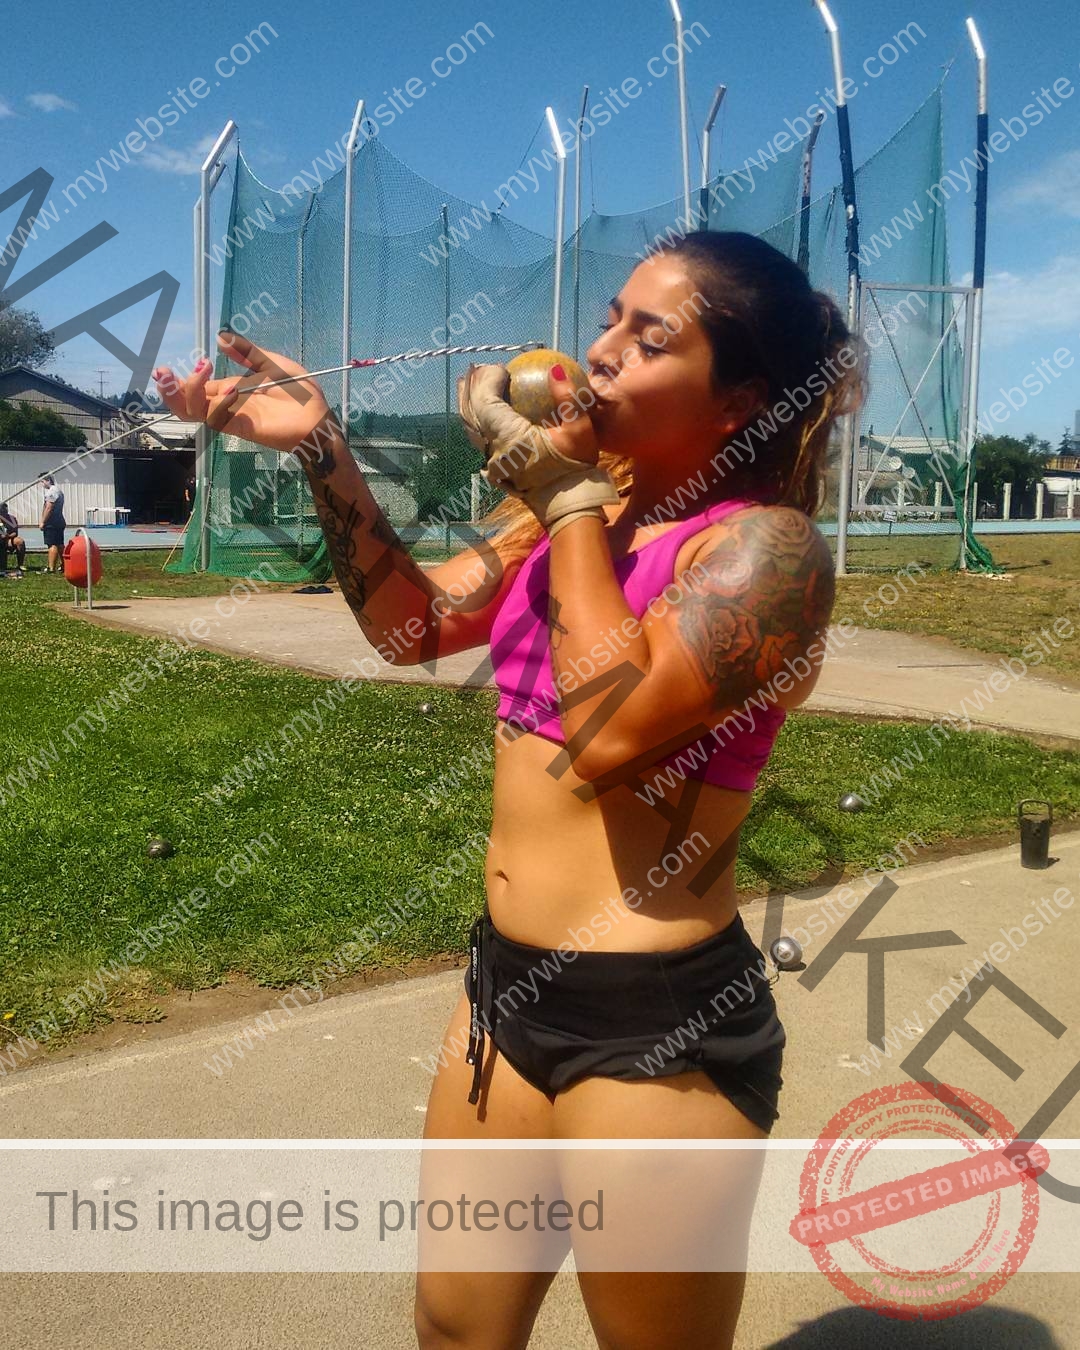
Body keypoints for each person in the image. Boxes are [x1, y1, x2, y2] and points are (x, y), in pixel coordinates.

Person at [153, 231, 864, 1349]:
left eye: (651, 335)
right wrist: (320, 446)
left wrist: (571, 496)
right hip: (505, 991)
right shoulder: (567, 528)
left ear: (740, 404)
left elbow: (614, 734)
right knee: (455, 1327)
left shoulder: (766, 556)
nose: (602, 353)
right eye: (611, 319)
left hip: (659, 1025)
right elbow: (412, 625)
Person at [38, 474, 66, 573]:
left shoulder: (52, 492)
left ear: (47, 480)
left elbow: (49, 508)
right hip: (59, 521)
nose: (41, 484)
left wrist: (43, 521)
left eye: (42, 481)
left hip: (52, 522)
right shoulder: (59, 490)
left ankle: (51, 568)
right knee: (60, 544)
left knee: (52, 545)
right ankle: (64, 565)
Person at [0, 503, 26, 575]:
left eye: (5, 511)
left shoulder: (12, 519)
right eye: (2, 512)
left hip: (8, 539)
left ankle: (20, 565)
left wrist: (8, 536)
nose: (4, 513)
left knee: (20, 541)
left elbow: (15, 532)